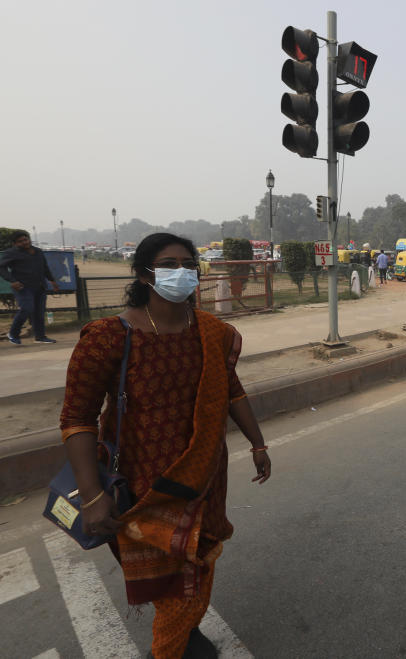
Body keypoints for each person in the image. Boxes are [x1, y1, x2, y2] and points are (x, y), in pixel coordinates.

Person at [59, 233, 272, 659]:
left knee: (199, 561)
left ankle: (184, 636)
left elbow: (232, 391)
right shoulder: (107, 338)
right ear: (143, 274)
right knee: (174, 591)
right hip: (141, 491)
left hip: (204, 480)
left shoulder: (211, 334)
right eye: (169, 264)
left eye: (188, 264)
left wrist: (257, 443)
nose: (182, 272)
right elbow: (77, 419)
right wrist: (93, 495)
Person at [1, 230, 60, 345]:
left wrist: (52, 280)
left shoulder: (38, 251)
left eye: (26, 239)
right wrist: (12, 281)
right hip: (23, 287)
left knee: (39, 312)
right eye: (20, 241)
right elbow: (1, 268)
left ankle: (40, 337)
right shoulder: (11, 253)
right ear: (15, 244)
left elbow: (44, 267)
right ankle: (13, 333)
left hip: (40, 286)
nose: (24, 242)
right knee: (27, 308)